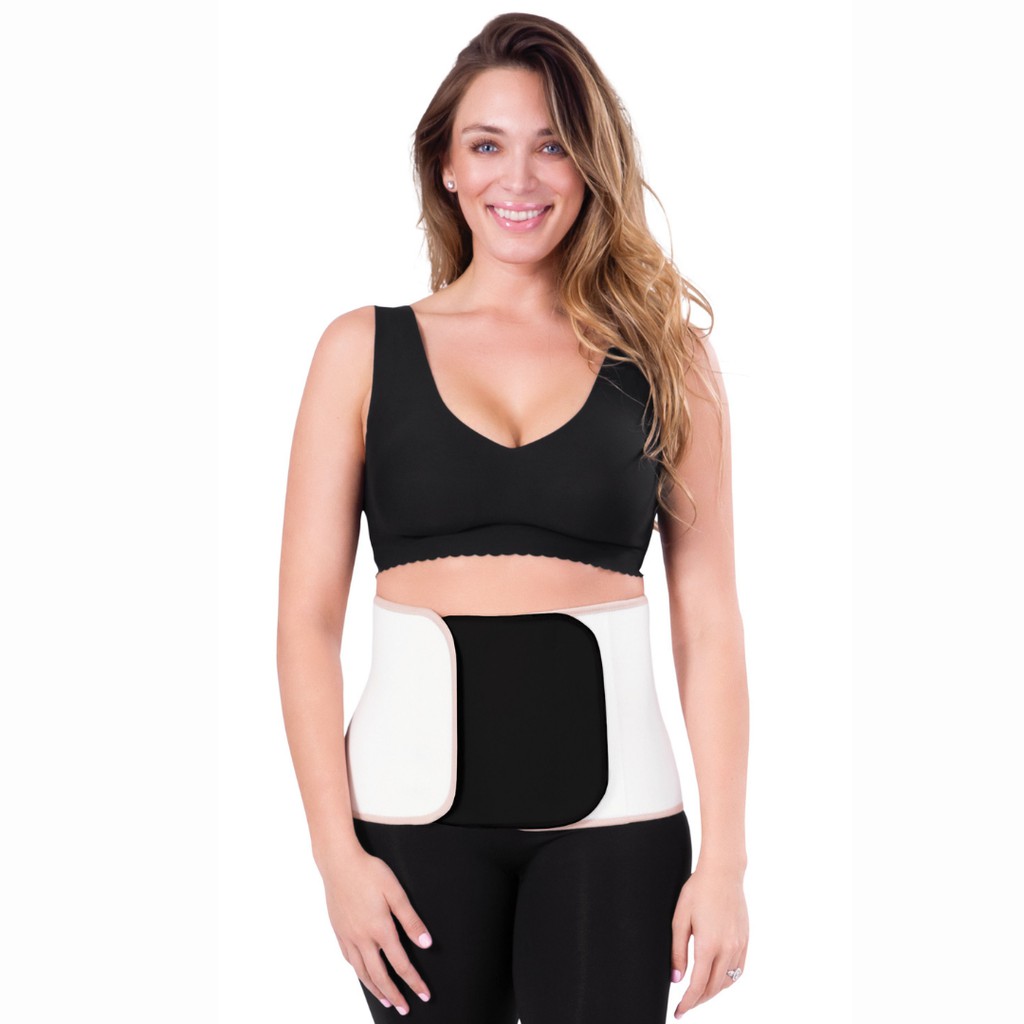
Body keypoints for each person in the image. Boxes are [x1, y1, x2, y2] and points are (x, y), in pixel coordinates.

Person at [277, 12, 749, 1023]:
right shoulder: (359, 351)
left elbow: (708, 621)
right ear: (445, 166)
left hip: (618, 825)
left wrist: (726, 864)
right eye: (487, 146)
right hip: (407, 821)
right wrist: (333, 856)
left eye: (553, 146)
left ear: (591, 165)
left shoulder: (668, 361)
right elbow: (305, 624)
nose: (520, 179)